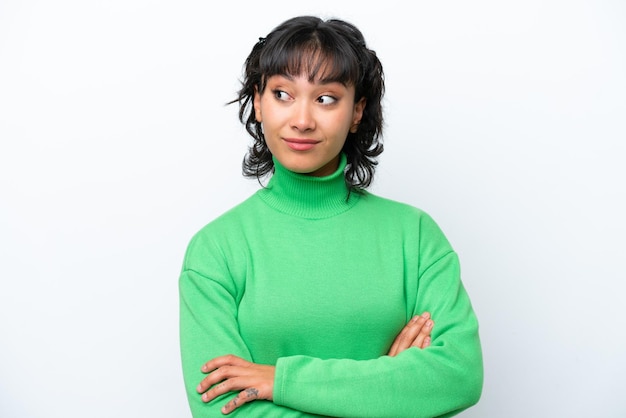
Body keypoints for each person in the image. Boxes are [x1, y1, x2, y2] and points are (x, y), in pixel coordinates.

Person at [179, 15, 483, 417]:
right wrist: (389, 389)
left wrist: (280, 381)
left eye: (326, 99)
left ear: (357, 111)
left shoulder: (416, 236)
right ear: (258, 100)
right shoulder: (216, 250)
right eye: (283, 94)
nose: (302, 120)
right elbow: (223, 408)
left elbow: (458, 375)